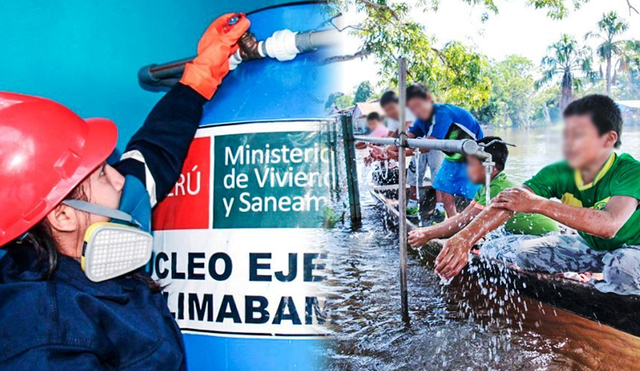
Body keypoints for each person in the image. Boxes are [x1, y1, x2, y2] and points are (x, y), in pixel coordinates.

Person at [0, 13, 250, 369]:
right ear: (62, 214)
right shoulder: (41, 338)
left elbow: (149, 155)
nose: (120, 179)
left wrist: (197, 79)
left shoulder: (72, 232)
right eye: (103, 174)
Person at [434, 95, 640, 296]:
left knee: (620, 267)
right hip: (591, 245)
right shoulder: (560, 171)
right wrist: (465, 239)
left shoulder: (629, 170)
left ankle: (606, 307)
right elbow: (512, 200)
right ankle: (574, 285)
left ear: (608, 139)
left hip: (632, 250)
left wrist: (538, 204)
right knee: (525, 254)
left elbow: (608, 226)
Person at [408, 137, 558, 249]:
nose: (467, 169)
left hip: (542, 238)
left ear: (490, 168)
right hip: (526, 235)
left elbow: (462, 223)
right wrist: (429, 231)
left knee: (489, 248)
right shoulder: (486, 186)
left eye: (471, 165)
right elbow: (463, 217)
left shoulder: (497, 188)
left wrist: (427, 234)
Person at [404, 84, 484, 220]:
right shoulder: (420, 120)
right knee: (443, 183)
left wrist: (399, 153)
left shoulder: (441, 113)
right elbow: (407, 139)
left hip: (474, 152)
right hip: (453, 153)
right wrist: (387, 151)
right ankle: (453, 221)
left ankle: (477, 223)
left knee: (474, 192)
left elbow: (427, 145)